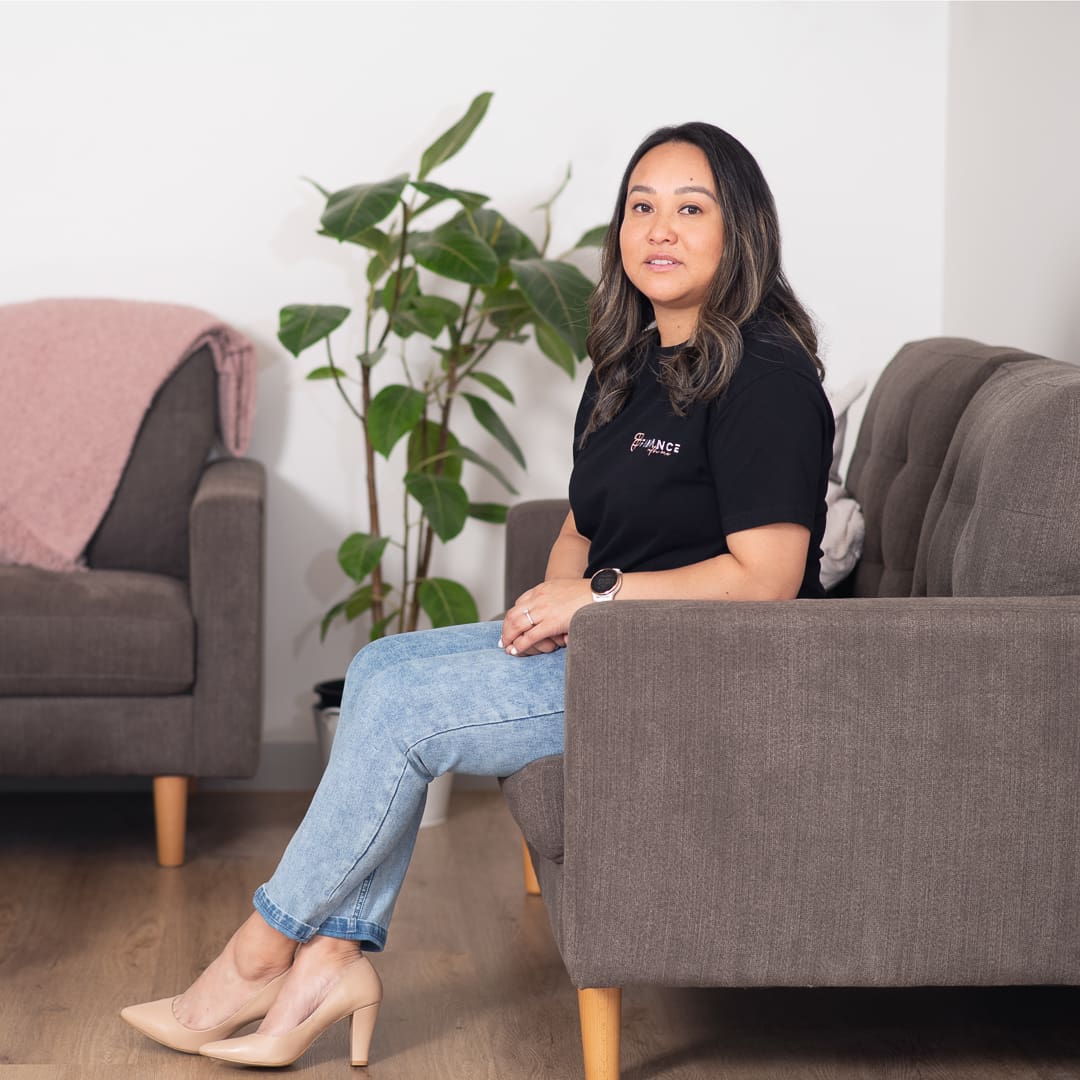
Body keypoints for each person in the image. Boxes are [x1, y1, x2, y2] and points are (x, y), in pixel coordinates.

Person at [120, 121, 834, 1068]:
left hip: (695, 670)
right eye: (641, 206)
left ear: (741, 230)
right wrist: (552, 607)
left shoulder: (767, 376)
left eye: (691, 209)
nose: (660, 228)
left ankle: (260, 953)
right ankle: (334, 959)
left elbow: (768, 579)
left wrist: (596, 603)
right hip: (613, 646)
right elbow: (583, 523)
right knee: (380, 666)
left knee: (409, 712)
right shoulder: (629, 365)